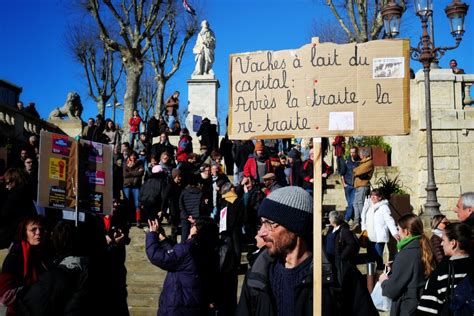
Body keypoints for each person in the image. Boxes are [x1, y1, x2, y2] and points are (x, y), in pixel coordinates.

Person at [237, 186, 313, 315]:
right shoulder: (256, 275)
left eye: (269, 223)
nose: (261, 232)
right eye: (261, 223)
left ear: (296, 226)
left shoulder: (335, 277)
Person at [146, 217, 219, 316]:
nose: (191, 227)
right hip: (195, 305)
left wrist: (152, 234)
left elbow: (155, 255)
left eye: (193, 226)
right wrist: (164, 240)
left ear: (197, 231)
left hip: (178, 306)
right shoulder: (208, 250)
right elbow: (179, 257)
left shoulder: (188, 248)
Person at [379, 214, 435, 316]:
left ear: (406, 232)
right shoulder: (425, 247)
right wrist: (395, 267)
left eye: (398, 229)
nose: (397, 232)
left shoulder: (406, 253)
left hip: (408, 307)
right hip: (423, 302)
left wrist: (383, 281)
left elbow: (392, 290)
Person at [417, 222, 472, 315]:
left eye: (443, 240)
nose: (441, 243)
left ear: (453, 243)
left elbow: (427, 310)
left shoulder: (443, 272)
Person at [0, 216, 51, 314]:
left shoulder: (46, 253)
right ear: (24, 233)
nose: (38, 233)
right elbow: (5, 292)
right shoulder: (15, 254)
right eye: (33, 230)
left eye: (41, 229)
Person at [361, 188, 398, 271]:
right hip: (369, 236)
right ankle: (370, 279)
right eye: (372, 195)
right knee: (370, 259)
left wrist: (394, 232)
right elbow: (363, 218)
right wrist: (363, 229)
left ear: (380, 197)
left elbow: (389, 220)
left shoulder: (384, 207)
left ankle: (379, 277)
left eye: (376, 195)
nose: (373, 197)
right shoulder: (367, 205)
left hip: (379, 238)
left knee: (378, 258)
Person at [0, 168, 37, 249]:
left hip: (13, 235)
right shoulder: (28, 192)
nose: (6, 186)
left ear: (14, 181)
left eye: (8, 183)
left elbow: (4, 214)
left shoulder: (15, 195)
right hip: (22, 231)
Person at [352, 147, 374, 231]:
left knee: (360, 203)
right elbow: (356, 170)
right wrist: (356, 170)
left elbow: (357, 171)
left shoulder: (369, 163)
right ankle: (356, 220)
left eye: (360, 154)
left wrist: (356, 170)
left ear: (364, 155)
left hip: (363, 185)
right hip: (358, 186)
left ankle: (364, 220)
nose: (359, 155)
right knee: (355, 203)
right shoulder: (363, 162)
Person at [123, 151, 145, 227]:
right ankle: (127, 220)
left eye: (134, 156)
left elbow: (141, 173)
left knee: (137, 204)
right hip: (127, 186)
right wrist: (136, 172)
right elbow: (125, 174)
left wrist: (130, 172)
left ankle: (138, 220)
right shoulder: (125, 163)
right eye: (131, 156)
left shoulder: (140, 163)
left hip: (136, 186)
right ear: (129, 157)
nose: (133, 157)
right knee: (127, 203)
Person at [161, 169, 183, 243]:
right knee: (174, 227)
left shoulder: (180, 185)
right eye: (178, 176)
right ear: (174, 177)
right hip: (173, 209)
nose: (180, 178)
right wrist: (163, 210)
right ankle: (173, 242)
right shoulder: (170, 185)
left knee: (178, 226)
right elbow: (165, 198)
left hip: (179, 208)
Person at [339, 146, 360, 222]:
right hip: (347, 186)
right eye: (351, 152)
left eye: (353, 152)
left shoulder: (360, 162)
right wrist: (344, 184)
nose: (352, 154)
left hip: (355, 186)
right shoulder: (346, 161)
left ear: (357, 153)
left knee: (351, 203)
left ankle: (346, 219)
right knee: (349, 203)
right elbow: (342, 173)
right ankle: (353, 217)